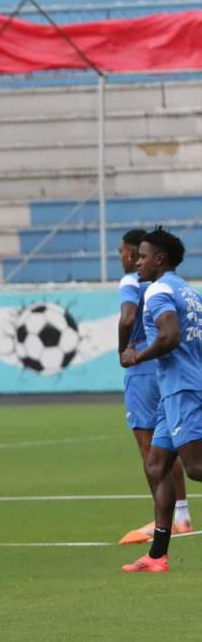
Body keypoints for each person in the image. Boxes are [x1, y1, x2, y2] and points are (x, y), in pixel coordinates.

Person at [120, 227, 202, 572]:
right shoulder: (189, 291)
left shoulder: (158, 290)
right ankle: (157, 556)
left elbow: (169, 337)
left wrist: (137, 354)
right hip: (174, 390)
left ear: (160, 259)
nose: (137, 262)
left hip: (183, 388)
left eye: (142, 257)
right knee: (157, 467)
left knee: (197, 468)